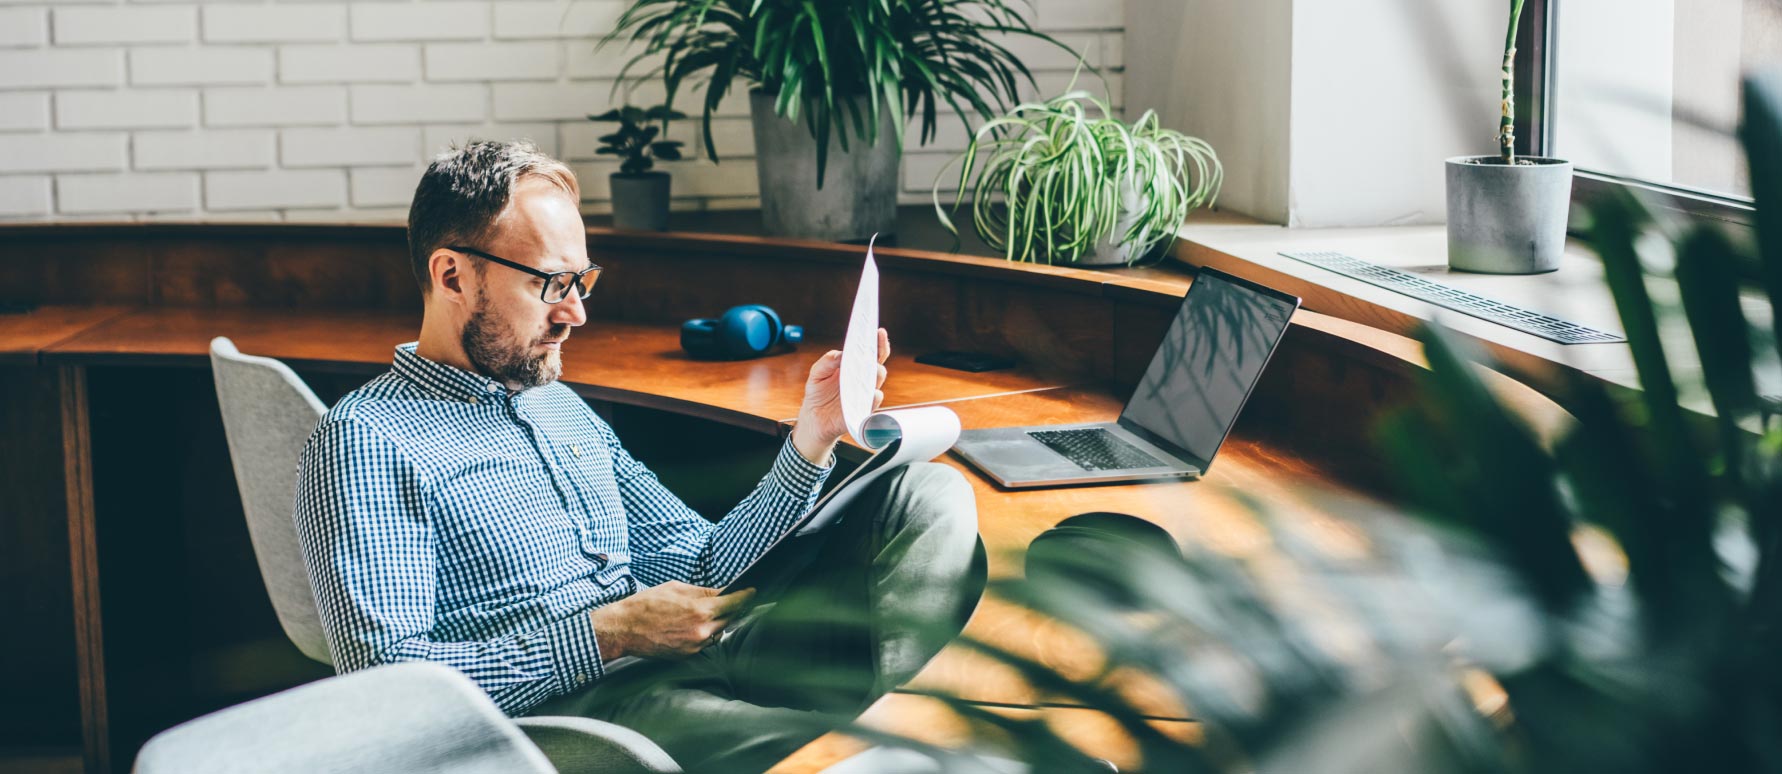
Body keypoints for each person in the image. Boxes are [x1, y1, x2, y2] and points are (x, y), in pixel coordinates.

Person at [293, 139, 984, 772]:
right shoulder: (366, 440)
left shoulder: (557, 403)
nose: (576, 314)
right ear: (451, 276)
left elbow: (701, 563)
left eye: (581, 281)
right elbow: (390, 690)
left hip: (692, 647)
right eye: (550, 284)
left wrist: (813, 438)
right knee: (829, 753)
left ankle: (905, 724)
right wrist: (609, 633)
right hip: (573, 715)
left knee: (926, 494)